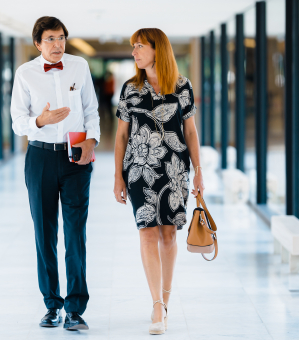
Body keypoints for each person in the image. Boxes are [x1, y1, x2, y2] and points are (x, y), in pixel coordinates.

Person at [11, 16, 100, 331]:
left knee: (76, 234)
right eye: (50, 39)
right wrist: (40, 120)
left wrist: (92, 140)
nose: (57, 44)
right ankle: (52, 305)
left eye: (61, 38)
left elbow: (91, 110)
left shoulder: (79, 67)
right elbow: (17, 121)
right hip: (40, 158)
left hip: (76, 158)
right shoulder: (25, 73)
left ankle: (75, 308)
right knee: (44, 234)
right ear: (38, 43)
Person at [113, 28, 204, 335]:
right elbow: (122, 136)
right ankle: (156, 305)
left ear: (157, 49)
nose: (134, 51)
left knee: (168, 235)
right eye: (133, 47)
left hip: (175, 170)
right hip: (139, 171)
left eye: (139, 46)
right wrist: (117, 176)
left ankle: (164, 301)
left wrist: (200, 170)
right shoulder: (130, 88)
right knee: (147, 233)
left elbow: (189, 132)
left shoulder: (182, 87)